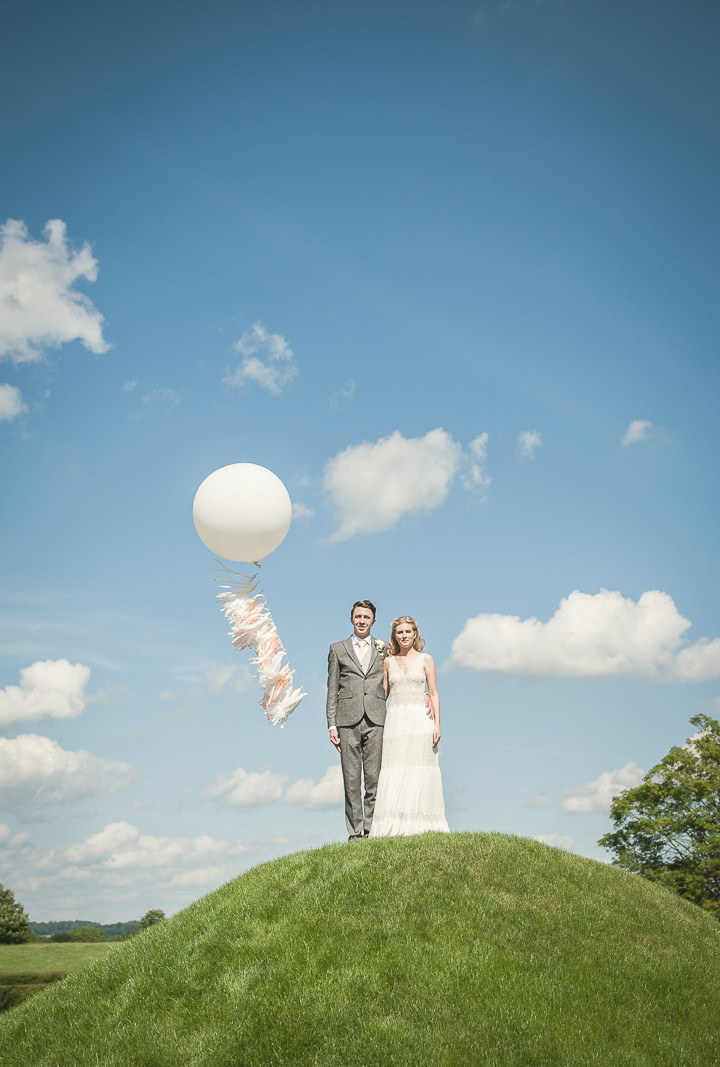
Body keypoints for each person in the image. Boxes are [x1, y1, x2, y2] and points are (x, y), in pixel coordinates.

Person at [369, 616, 450, 838]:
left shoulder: (426, 659)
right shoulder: (388, 662)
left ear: (415, 634)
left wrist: (437, 725)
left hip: (419, 718)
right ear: (394, 636)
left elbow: (433, 692)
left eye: (408, 632)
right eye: (400, 632)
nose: (404, 636)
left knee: (420, 767)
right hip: (395, 720)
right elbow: (381, 695)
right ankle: (395, 824)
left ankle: (422, 822)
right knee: (396, 768)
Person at [326, 600, 388, 840]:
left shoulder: (383, 648)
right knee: (351, 779)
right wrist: (332, 724)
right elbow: (332, 689)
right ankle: (355, 833)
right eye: (358, 617)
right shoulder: (337, 649)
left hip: (377, 717)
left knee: (374, 777)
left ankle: (372, 829)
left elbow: (396, 674)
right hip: (346, 719)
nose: (362, 621)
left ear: (373, 621)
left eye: (367, 617)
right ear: (351, 619)